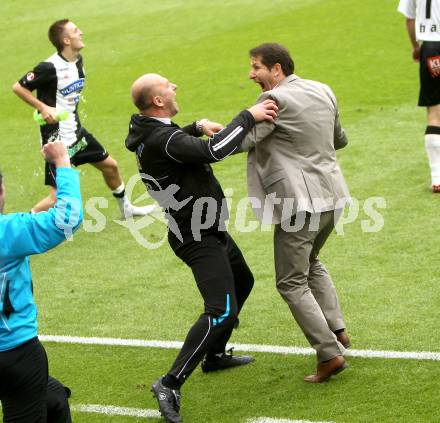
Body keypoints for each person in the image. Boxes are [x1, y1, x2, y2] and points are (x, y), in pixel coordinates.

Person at [125, 73, 277, 422]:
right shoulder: (163, 139)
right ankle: (169, 383)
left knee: (243, 282)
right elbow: (215, 151)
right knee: (221, 309)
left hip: (208, 227)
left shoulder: (151, 130)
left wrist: (194, 125)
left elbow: (176, 139)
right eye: (167, 85)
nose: (175, 86)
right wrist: (248, 116)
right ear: (158, 101)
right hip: (196, 236)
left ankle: (214, 354)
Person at [241, 43, 351, 383]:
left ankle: (329, 353)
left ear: (276, 70)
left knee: (290, 282)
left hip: (299, 203)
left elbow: (241, 142)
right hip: (332, 196)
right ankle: (337, 329)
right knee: (312, 262)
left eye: (256, 67)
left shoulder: (272, 101)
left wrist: (212, 132)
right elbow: (340, 139)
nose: (251, 74)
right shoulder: (323, 89)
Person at [12, 19, 154, 217]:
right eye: (76, 31)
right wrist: (43, 107)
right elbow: (18, 87)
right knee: (55, 198)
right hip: (57, 140)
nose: (81, 33)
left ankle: (127, 209)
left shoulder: (78, 61)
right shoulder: (48, 67)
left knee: (110, 166)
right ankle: (18, 225)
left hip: (77, 134)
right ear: (66, 40)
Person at [0, 141, 82, 422]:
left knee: (54, 398)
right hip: (14, 353)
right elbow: (67, 219)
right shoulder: (9, 231)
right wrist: (62, 162)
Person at [398, 0, 440, 192]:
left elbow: (409, 19)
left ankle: (436, 177)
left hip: (431, 50)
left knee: (434, 112)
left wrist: (416, 47)